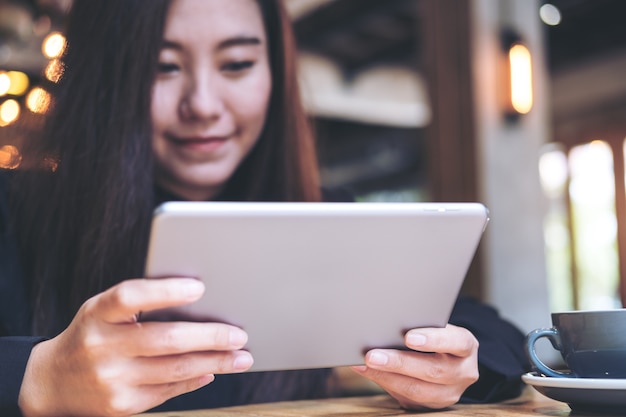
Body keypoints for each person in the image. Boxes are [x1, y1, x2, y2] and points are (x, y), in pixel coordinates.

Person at [0, 0, 529, 416]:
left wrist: (457, 366)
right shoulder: (16, 211)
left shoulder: (325, 218)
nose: (203, 104)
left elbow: (492, 333)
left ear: (275, 74)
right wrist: (37, 375)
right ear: (104, 79)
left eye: (236, 63)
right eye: (161, 66)